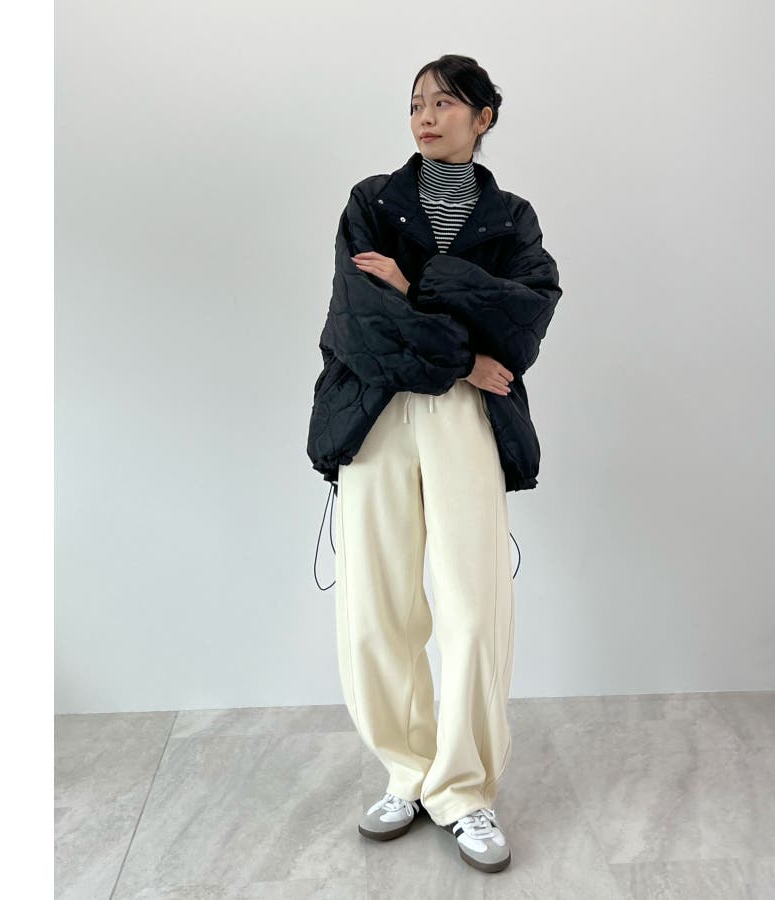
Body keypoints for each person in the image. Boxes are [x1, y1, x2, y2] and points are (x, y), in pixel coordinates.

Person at [306, 54, 562, 874]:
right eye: (416, 101)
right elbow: (358, 322)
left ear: (484, 117)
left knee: (474, 610)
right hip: (377, 410)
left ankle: (465, 789)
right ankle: (407, 774)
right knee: (376, 610)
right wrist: (462, 356)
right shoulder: (370, 202)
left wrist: (416, 283)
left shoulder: (512, 217)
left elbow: (522, 322)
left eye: (446, 102)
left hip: (466, 422)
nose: (425, 115)